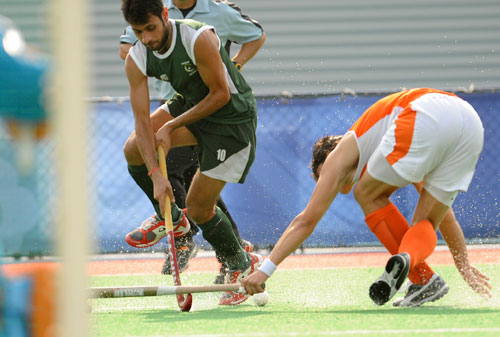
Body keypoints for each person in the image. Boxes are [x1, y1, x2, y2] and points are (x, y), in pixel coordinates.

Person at [242, 88, 492, 307]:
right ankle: (419, 273)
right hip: (469, 125)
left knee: (367, 194)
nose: (337, 185)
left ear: (329, 155)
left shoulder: (339, 156)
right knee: (426, 220)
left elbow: (306, 221)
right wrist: (464, 266)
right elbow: (446, 219)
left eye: (327, 177)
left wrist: (265, 269)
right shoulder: (388, 142)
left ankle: (423, 278)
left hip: (425, 114)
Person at [120, 0, 263, 305]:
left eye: (150, 28)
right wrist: (156, 175)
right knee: (133, 149)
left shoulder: (198, 38)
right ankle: (170, 218)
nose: (146, 38)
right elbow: (142, 122)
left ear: (165, 15)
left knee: (199, 208)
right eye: (138, 31)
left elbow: (222, 94)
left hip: (231, 119)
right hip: (190, 104)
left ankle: (240, 263)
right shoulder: (137, 56)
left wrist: (172, 127)